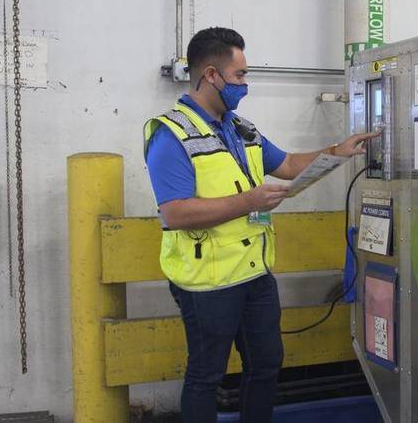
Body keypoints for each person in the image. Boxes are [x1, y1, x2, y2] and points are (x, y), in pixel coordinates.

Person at [143, 26, 379, 423]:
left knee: (267, 365)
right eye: (239, 76)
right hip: (207, 283)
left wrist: (337, 151)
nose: (245, 85)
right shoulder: (172, 134)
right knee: (206, 376)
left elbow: (286, 165)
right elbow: (176, 213)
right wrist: (248, 201)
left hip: (254, 274)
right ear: (211, 75)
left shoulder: (241, 129)